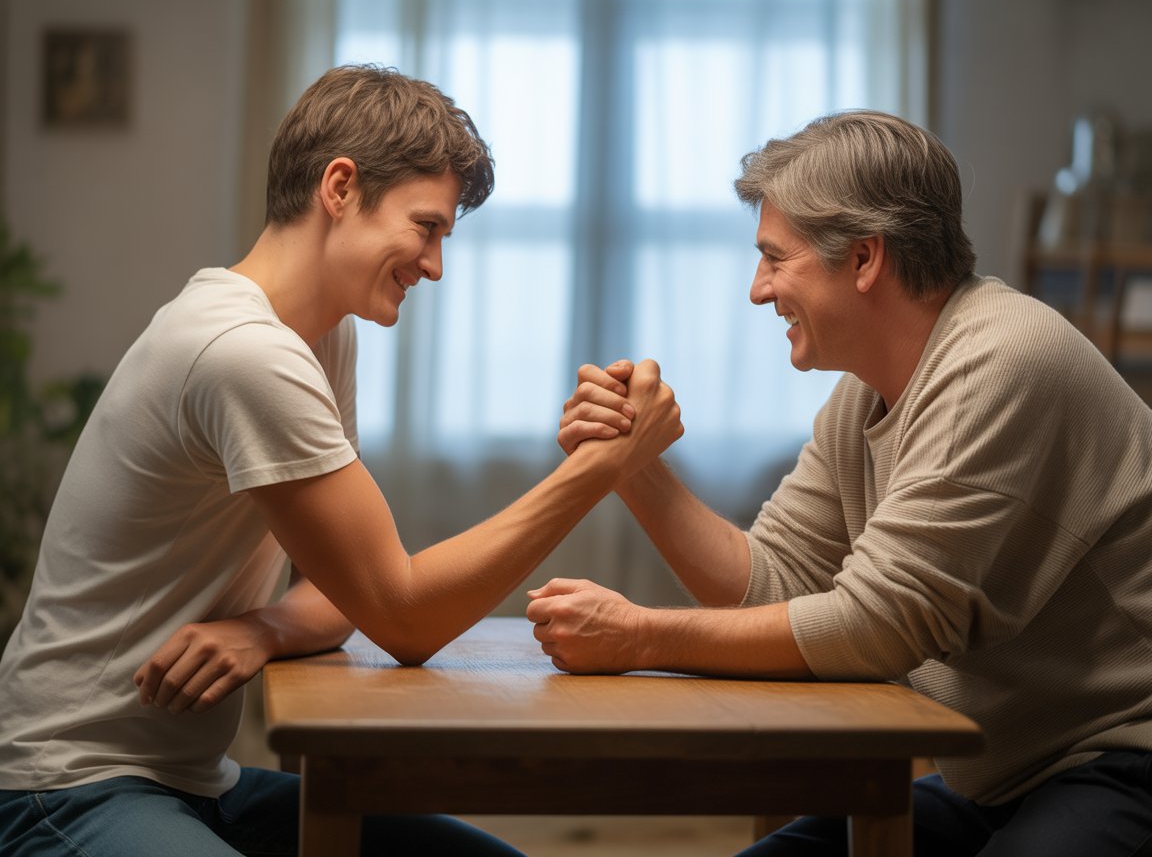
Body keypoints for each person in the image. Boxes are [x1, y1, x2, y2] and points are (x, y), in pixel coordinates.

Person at [0, 64, 683, 857]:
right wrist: (598, 469)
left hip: (192, 781)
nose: (433, 266)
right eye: (426, 228)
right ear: (339, 187)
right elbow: (402, 615)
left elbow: (343, 588)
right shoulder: (244, 353)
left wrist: (263, 628)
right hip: (67, 785)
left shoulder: (319, 334)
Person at [526, 110, 1152, 856]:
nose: (759, 291)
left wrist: (640, 635)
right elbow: (772, 588)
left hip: (1123, 763)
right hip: (1003, 779)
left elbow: (876, 626)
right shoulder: (866, 394)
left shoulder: (1003, 361)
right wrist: (630, 465)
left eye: (774, 258)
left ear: (863, 259)